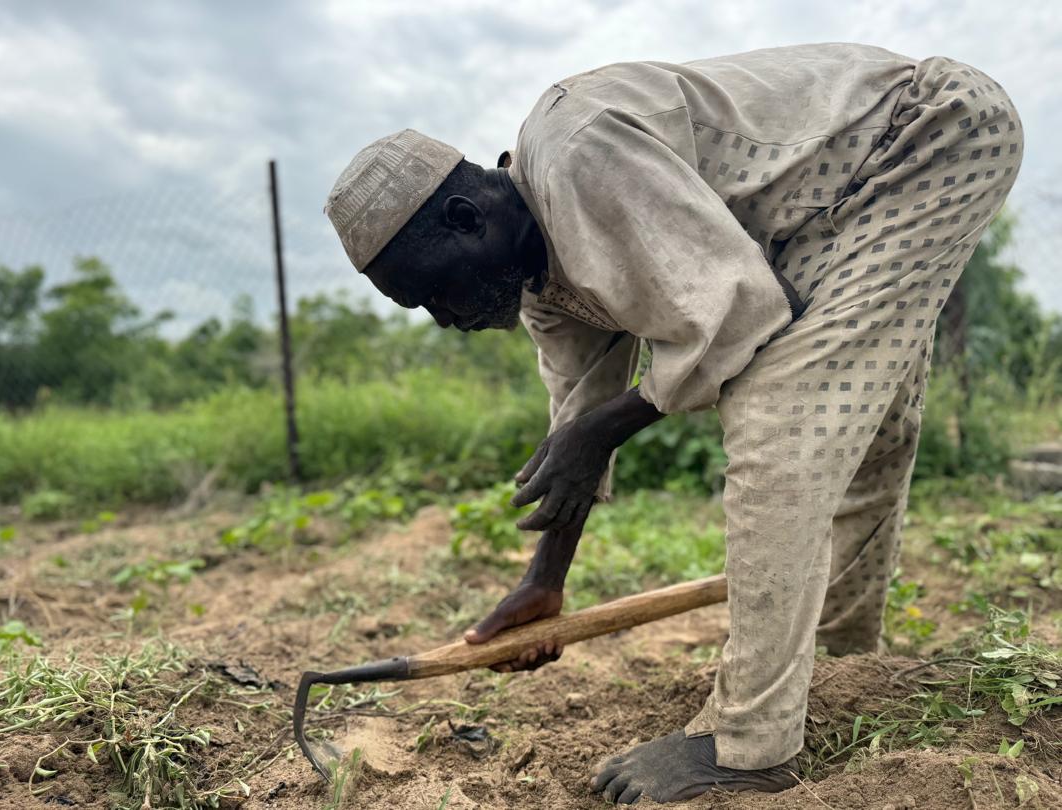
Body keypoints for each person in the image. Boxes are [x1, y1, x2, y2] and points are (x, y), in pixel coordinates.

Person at [324, 43, 1022, 804]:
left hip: (924, 137)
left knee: (782, 419)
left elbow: (738, 318)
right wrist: (544, 583)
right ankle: (848, 663)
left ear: (465, 217)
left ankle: (750, 747)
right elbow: (578, 429)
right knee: (860, 421)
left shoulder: (576, 152)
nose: (446, 319)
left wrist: (607, 430)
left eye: (432, 291)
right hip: (826, 218)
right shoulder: (544, 285)